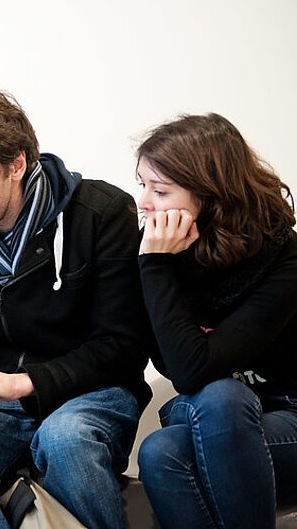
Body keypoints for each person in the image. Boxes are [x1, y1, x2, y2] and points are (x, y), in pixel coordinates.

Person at [0, 89, 152, 529]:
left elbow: (123, 346)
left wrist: (22, 382)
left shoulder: (100, 213)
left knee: (66, 440)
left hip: (92, 393)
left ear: (17, 165)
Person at [134, 113, 297, 529]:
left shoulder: (283, 257)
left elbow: (192, 371)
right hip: (208, 413)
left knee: (208, 410)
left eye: (160, 190)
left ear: (210, 195)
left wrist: (155, 267)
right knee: (162, 447)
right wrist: (158, 268)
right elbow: (175, 364)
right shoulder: (160, 255)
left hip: (290, 412)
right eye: (143, 186)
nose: (144, 202)